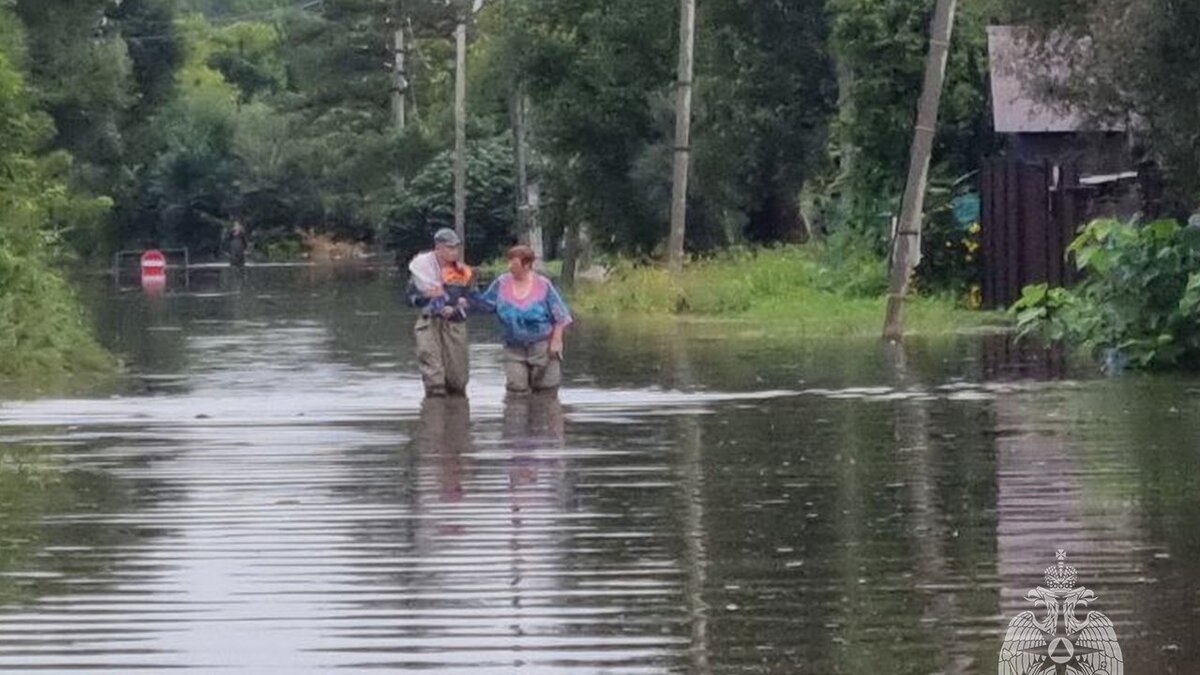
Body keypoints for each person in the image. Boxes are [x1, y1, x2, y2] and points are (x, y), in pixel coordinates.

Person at [477, 245, 572, 394]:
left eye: (513, 264)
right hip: (513, 346)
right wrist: (466, 294)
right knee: (516, 389)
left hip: (542, 347)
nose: (509, 267)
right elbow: (484, 304)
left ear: (527, 265)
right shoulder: (501, 283)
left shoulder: (543, 285)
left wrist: (556, 341)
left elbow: (560, 316)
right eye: (508, 262)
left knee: (546, 390)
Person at [407, 228, 475, 397]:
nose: (455, 252)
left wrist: (459, 306)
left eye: (456, 248)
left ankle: (457, 418)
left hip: (454, 324)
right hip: (429, 322)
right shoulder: (421, 269)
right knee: (434, 380)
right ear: (438, 248)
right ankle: (434, 416)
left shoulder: (463, 272)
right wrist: (425, 296)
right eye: (450, 248)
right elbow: (409, 299)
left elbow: (474, 300)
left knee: (457, 380)